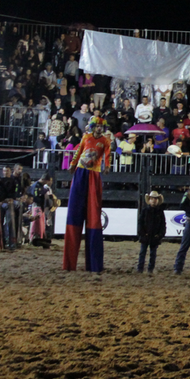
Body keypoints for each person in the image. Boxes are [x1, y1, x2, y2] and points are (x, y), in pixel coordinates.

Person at [63, 116, 112, 272]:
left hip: (94, 174)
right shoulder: (86, 137)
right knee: (74, 214)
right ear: (92, 126)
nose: (98, 128)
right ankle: (69, 264)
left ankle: (94, 265)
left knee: (93, 216)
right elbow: (79, 151)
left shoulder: (105, 140)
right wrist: (72, 164)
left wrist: (107, 166)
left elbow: (108, 155)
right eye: (96, 126)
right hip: (80, 173)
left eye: (100, 126)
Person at [137, 191, 167, 274]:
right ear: (149, 200)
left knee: (152, 254)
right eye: (152, 198)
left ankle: (148, 269)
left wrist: (159, 235)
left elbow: (162, 225)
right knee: (143, 253)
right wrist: (142, 233)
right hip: (147, 235)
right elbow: (140, 223)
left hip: (154, 236)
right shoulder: (145, 211)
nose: (154, 200)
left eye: (155, 199)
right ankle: (141, 268)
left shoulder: (159, 212)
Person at [26, 172, 54, 247]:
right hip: (37, 206)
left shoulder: (40, 186)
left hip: (39, 207)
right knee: (36, 223)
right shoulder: (37, 186)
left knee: (40, 224)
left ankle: (39, 239)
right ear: (46, 180)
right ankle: (32, 239)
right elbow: (35, 198)